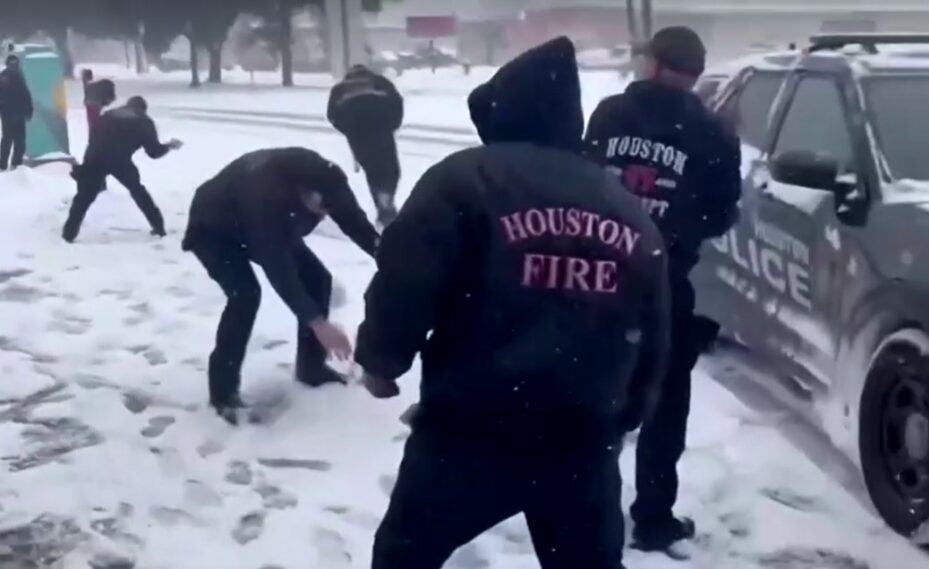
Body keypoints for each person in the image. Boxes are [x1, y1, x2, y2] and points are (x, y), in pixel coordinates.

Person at [356, 37, 670, 569]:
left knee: (404, 557)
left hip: (470, 430)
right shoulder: (626, 209)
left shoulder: (462, 179)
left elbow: (407, 277)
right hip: (580, 441)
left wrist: (382, 360)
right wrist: (629, 411)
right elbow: (654, 328)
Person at [583, 26, 742, 553]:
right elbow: (722, 214)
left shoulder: (608, 116)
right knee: (665, 404)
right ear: (693, 74)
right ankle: (653, 518)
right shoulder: (716, 133)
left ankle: (585, 507)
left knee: (594, 396)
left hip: (595, 280)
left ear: (653, 63)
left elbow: (578, 183)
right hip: (665, 285)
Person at [182, 147, 379, 424]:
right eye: (319, 209)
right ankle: (223, 394)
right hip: (214, 229)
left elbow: (356, 224)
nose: (323, 217)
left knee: (318, 279)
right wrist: (318, 323)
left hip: (268, 225)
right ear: (303, 192)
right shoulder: (266, 195)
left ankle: (311, 369)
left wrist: (389, 259)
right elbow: (279, 268)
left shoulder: (331, 183)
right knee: (245, 295)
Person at [62, 96, 181, 243]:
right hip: (120, 160)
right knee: (138, 191)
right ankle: (159, 227)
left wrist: (91, 159)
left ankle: (68, 234)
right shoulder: (144, 121)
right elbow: (154, 152)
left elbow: (93, 136)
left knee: (84, 197)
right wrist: (169, 146)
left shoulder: (109, 114)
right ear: (143, 108)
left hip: (95, 156)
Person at [326, 65, 403, 228]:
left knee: (373, 172)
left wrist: (347, 129)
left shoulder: (339, 90)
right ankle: (386, 204)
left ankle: (384, 207)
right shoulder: (381, 82)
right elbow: (397, 103)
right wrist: (393, 124)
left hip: (358, 137)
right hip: (383, 132)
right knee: (392, 170)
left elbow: (332, 115)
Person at [0, 54, 33, 171]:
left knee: (15, 140)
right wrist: (29, 109)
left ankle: (11, 164)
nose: (13, 66)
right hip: (11, 113)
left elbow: (25, 93)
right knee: (12, 139)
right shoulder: (12, 76)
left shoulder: (11, 75)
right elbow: (25, 93)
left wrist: (28, 108)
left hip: (14, 113)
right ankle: (10, 164)